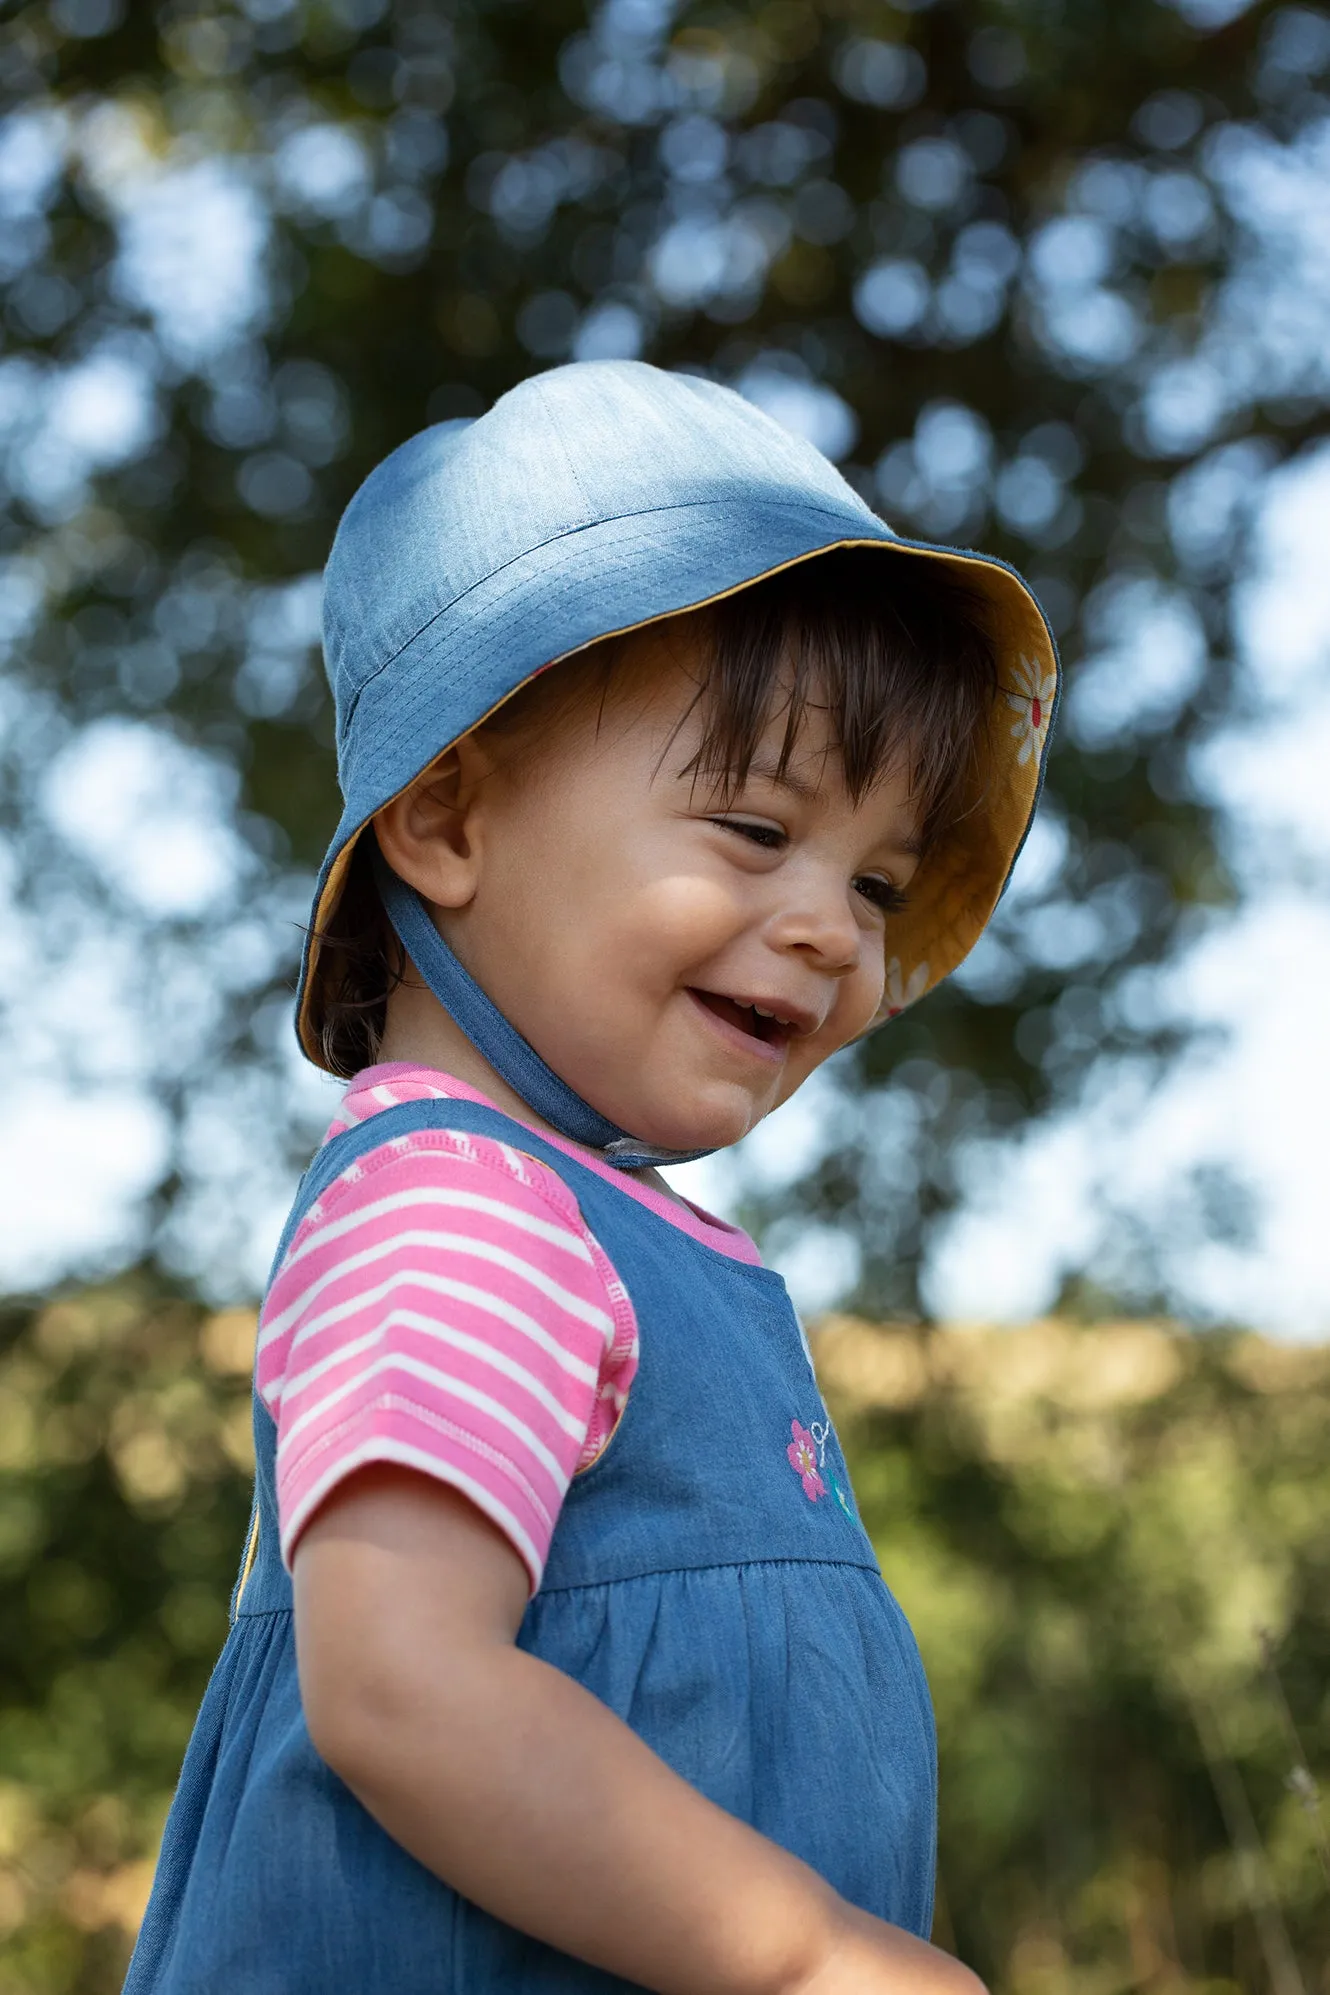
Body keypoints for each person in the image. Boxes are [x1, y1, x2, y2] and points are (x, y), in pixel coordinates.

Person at [124, 360, 1057, 1994]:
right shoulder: (458, 1207)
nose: (836, 927)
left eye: (880, 877)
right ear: (444, 816)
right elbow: (402, 1683)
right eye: (756, 832)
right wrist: (800, 1953)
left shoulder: (616, 1239)